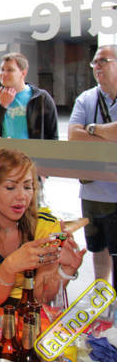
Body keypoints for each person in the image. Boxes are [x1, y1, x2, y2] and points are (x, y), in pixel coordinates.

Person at [0, 148, 85, 314]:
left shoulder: (47, 227)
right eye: (10, 187)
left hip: (24, 312)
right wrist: (10, 267)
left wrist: (66, 270)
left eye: (27, 187)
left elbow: (41, 297)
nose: (21, 196)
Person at [68, 44, 117, 282]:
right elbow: (73, 135)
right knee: (98, 250)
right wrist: (107, 133)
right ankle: (102, 297)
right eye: (95, 62)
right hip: (92, 192)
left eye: (103, 61)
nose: (97, 66)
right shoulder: (86, 99)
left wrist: (91, 128)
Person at [0, 52, 58, 140]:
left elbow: (53, 135)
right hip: (5, 148)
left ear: (23, 73)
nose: (4, 74)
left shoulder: (41, 98)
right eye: (2, 69)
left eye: (10, 70)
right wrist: (2, 106)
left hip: (32, 148)